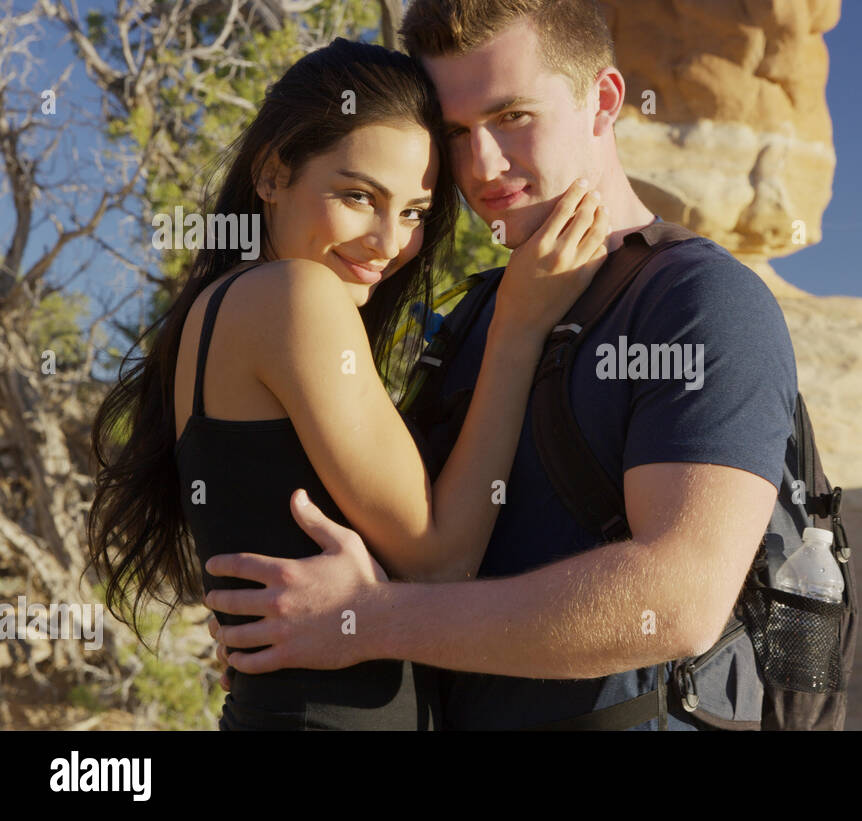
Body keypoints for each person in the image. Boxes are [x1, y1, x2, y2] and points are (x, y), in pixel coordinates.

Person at [204, 0, 799, 730]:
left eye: (512, 116)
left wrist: (369, 618)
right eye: (456, 133)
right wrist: (282, 619)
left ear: (604, 101)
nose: (482, 165)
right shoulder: (479, 315)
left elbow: (676, 600)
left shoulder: (698, 302)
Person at [87, 37, 609, 730]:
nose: (389, 241)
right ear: (272, 174)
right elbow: (441, 558)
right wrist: (518, 327)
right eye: (359, 196)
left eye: (417, 212)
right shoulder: (294, 295)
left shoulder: (221, 306)